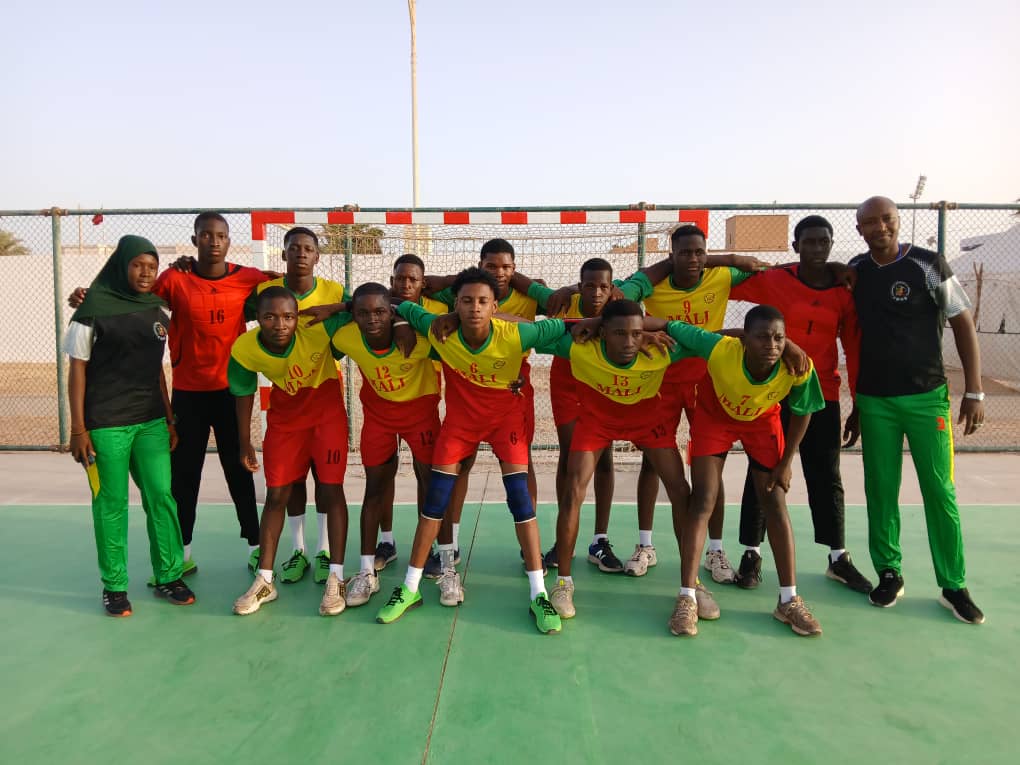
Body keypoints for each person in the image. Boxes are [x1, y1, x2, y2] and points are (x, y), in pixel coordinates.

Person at [374, 268, 566, 634]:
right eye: (466, 301)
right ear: (454, 305)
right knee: (435, 501)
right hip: (461, 425)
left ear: (495, 306)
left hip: (505, 420)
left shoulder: (519, 333)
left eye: (482, 302)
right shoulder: (439, 330)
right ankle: (411, 587)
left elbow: (569, 325)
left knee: (521, 502)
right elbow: (397, 303)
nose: (475, 308)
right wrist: (400, 321)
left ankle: (538, 592)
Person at [850, 195, 985, 624]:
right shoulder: (855, 271)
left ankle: (953, 584)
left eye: (886, 219)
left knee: (939, 490)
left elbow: (963, 322)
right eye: (870, 223)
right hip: (875, 401)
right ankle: (889, 572)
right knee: (881, 490)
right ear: (861, 230)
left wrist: (975, 391)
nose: (880, 228)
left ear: (898, 221)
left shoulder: (930, 263)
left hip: (928, 399)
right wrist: (855, 403)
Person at [535, 299, 715, 619]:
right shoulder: (579, 348)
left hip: (648, 424)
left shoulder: (662, 350)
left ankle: (692, 585)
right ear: (602, 333)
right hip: (596, 423)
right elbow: (523, 330)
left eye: (636, 333)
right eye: (620, 333)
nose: (629, 342)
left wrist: (787, 346)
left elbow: (714, 340)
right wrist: (579, 321)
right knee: (573, 489)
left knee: (679, 489)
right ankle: (563, 583)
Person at [731, 215, 872, 593]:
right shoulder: (777, 280)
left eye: (823, 241)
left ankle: (837, 557)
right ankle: (751, 552)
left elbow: (853, 348)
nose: (816, 248)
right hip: (774, 395)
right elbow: (718, 288)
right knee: (762, 472)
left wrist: (857, 403)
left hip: (823, 395)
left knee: (826, 475)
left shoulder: (844, 291)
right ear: (796, 246)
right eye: (808, 242)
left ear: (830, 245)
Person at [673, 305, 825, 637]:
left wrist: (786, 464)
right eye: (761, 338)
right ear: (744, 339)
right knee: (703, 501)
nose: (771, 346)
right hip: (715, 418)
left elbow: (803, 411)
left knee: (775, 502)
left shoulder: (797, 366)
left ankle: (789, 601)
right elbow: (673, 327)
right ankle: (687, 597)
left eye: (779, 338)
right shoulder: (721, 349)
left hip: (762, 422)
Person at [64, 235, 196, 616]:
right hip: (106, 425)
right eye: (138, 265)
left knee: (161, 497)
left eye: (152, 267)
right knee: (111, 504)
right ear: (122, 266)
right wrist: (78, 429)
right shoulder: (90, 312)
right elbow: (77, 371)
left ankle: (169, 575)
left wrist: (169, 418)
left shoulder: (156, 309)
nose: (145, 273)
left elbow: (157, 370)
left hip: (151, 421)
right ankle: (115, 586)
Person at [228, 287, 351, 617]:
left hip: (326, 417)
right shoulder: (245, 349)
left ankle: (336, 577)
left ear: (298, 318)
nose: (280, 324)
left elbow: (371, 307)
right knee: (277, 494)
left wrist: (339, 306)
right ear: (258, 319)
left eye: (288, 317)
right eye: (270, 317)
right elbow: (242, 394)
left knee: (331, 490)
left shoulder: (318, 329)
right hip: (285, 421)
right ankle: (265, 580)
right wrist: (244, 442)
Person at [423, 240, 543, 573]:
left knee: (521, 467)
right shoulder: (461, 295)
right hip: (471, 390)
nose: (499, 272)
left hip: (513, 389)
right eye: (491, 266)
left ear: (515, 269)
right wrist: (451, 301)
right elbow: (423, 285)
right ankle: (453, 543)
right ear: (481, 265)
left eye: (506, 267)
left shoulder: (531, 295)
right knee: (461, 464)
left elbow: (561, 305)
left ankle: (528, 550)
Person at [329, 282, 448, 608]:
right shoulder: (346, 338)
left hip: (420, 414)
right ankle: (367, 570)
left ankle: (435, 556)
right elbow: (323, 338)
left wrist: (404, 320)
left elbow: (452, 340)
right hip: (379, 419)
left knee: (430, 483)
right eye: (363, 312)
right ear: (353, 315)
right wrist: (337, 309)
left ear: (391, 310)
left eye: (381, 311)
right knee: (375, 489)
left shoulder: (418, 339)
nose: (372, 319)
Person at [244, 227, 349, 586]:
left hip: (323, 392)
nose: (301, 253)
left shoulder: (333, 291)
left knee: (326, 479)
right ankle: (299, 549)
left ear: (317, 256)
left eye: (308, 248)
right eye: (294, 248)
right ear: (284, 254)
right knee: (289, 482)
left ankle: (323, 550)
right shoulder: (265, 293)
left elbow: (358, 309)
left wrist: (336, 307)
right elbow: (234, 306)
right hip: (286, 397)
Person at [510, 260, 621, 572]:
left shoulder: (619, 305)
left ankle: (600, 539)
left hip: (602, 382)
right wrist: (567, 288)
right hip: (568, 385)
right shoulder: (561, 302)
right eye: (588, 285)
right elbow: (523, 283)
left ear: (611, 288)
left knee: (606, 457)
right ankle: (564, 542)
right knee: (572, 457)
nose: (597, 291)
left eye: (603, 286)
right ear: (580, 284)